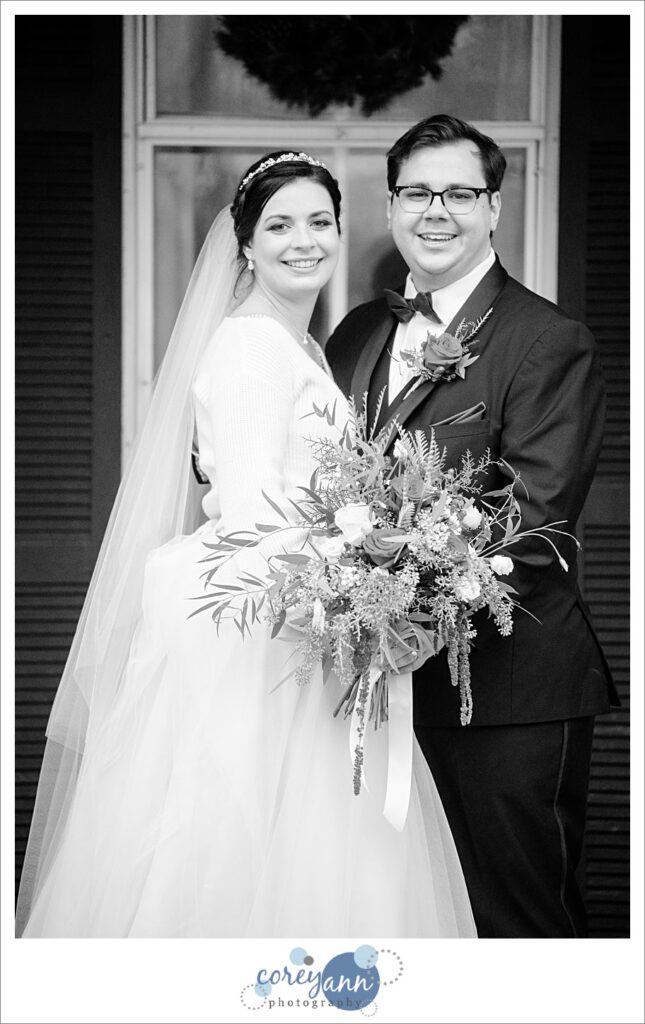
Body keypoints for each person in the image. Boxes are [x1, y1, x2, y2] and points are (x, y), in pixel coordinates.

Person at [16, 151, 476, 938]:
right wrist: (358, 588)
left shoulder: (297, 344)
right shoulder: (251, 346)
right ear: (246, 246)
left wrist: (386, 564)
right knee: (243, 851)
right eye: (279, 225)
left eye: (320, 222)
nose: (305, 241)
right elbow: (256, 515)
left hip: (298, 616)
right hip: (266, 630)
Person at [326, 115, 617, 939]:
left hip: (505, 694)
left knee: (514, 923)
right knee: (399, 926)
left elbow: (533, 516)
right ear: (390, 206)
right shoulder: (357, 332)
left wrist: (404, 606)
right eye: (416, 192)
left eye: (459, 193)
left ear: (492, 207)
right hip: (375, 694)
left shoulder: (547, 340)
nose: (436, 211)